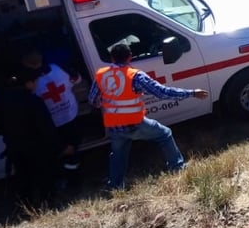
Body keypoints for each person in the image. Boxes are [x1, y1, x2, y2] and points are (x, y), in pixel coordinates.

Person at [88, 43, 209, 191]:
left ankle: (115, 186)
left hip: (114, 125)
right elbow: (162, 92)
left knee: (118, 154)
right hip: (134, 123)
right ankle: (177, 167)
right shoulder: (135, 76)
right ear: (130, 57)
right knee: (165, 134)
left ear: (112, 58)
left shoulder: (101, 75)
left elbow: (93, 100)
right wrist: (192, 93)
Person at [0, 68, 66, 207]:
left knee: (23, 178)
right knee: (44, 176)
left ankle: (26, 207)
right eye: (35, 82)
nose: (36, 85)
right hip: (37, 146)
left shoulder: (0, 100)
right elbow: (46, 127)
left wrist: (6, 133)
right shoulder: (33, 101)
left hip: (15, 146)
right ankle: (47, 204)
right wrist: (58, 147)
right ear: (28, 83)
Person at [21, 48, 82, 188]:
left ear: (25, 63)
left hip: (51, 124)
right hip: (70, 116)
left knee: (56, 152)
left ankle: (62, 180)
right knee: (73, 150)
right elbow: (77, 79)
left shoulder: (29, 82)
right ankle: (75, 179)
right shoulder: (59, 68)